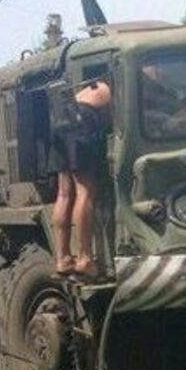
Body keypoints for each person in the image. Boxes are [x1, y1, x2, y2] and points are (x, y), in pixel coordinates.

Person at [50, 77, 112, 278]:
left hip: (63, 118)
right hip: (83, 119)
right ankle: (84, 258)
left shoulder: (92, 87)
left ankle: (63, 258)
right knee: (85, 192)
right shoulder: (127, 80)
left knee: (64, 194)